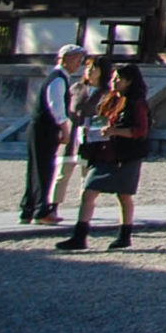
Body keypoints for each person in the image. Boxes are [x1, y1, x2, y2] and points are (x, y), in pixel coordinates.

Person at [55, 62, 148, 252]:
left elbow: (141, 130)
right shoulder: (110, 99)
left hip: (125, 155)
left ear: (129, 81)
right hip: (103, 152)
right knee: (88, 191)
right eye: (113, 78)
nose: (114, 82)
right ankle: (79, 236)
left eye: (119, 79)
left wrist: (116, 131)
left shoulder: (137, 103)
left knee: (124, 196)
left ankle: (125, 234)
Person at [19, 43, 83, 226]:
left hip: (41, 127)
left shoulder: (58, 78)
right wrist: (65, 129)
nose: (78, 63)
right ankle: (41, 210)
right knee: (43, 169)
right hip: (45, 128)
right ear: (66, 59)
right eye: (77, 59)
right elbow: (57, 108)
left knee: (36, 168)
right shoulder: (58, 79)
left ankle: (28, 208)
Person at [49, 53, 105, 217]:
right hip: (73, 134)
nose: (89, 71)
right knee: (62, 174)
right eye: (87, 67)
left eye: (94, 67)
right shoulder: (75, 88)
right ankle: (53, 206)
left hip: (92, 137)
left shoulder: (105, 92)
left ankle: (84, 208)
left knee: (87, 175)